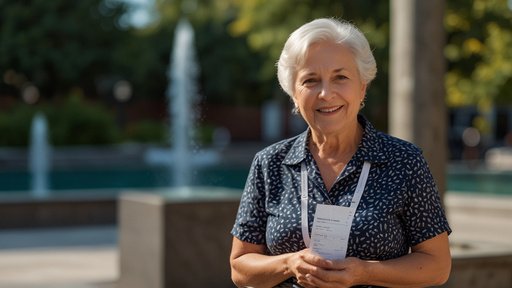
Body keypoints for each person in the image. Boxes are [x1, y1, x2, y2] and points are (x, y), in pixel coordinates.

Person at [230, 18, 451, 288]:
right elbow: (240, 267)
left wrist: (365, 272)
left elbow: (438, 266)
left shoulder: (405, 161)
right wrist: (289, 263)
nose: (326, 93)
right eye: (310, 80)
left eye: (340, 77)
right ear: (294, 96)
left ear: (362, 87)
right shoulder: (269, 163)